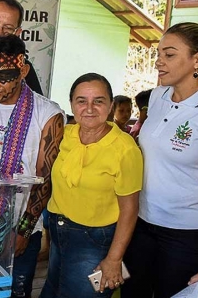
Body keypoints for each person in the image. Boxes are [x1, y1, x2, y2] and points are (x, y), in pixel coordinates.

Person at [121, 22, 198, 298]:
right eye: (158, 54)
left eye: (169, 54)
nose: (158, 62)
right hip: (141, 225)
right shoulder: (157, 97)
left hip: (188, 236)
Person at [0, 35, 64, 298]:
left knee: (15, 293)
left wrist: (23, 231)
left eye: (4, 77)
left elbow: (45, 179)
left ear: (23, 70)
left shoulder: (48, 115)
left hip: (20, 228)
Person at [41, 73, 143, 298]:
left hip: (95, 243)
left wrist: (114, 259)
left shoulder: (124, 149)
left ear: (110, 106)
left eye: (98, 101)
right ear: (71, 105)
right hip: (59, 234)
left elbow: (130, 209)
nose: (89, 108)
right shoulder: (64, 135)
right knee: (52, 292)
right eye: (81, 101)